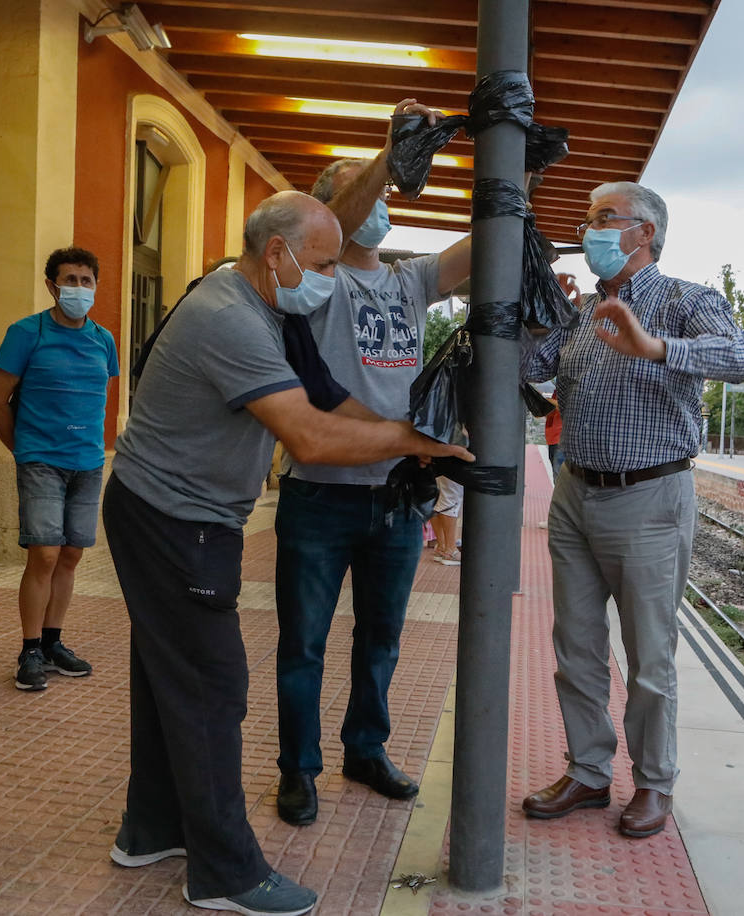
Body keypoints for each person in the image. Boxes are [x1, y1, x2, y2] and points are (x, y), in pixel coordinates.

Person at [102, 189, 471, 916]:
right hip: (176, 521)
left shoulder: (266, 306)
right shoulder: (229, 318)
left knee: (166, 680)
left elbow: (334, 402)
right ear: (277, 252)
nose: (333, 279)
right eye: (325, 264)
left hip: (167, 512)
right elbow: (309, 436)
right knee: (214, 689)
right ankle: (225, 873)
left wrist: (418, 441)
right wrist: (410, 442)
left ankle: (150, 830)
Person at [520, 182, 744, 839]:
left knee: (648, 656)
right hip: (575, 494)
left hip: (650, 496)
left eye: (602, 218)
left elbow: (740, 358)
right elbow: (527, 368)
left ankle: (654, 784)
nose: (587, 228)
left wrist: (656, 348)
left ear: (642, 232)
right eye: (589, 217)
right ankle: (589, 772)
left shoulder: (686, 300)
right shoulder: (584, 314)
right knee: (576, 646)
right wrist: (539, 313)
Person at [272, 99, 475, 828]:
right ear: (327, 214)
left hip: (397, 494)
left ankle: (366, 748)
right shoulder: (315, 285)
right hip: (319, 495)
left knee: (382, 636)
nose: (378, 205)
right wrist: (383, 158)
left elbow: (482, 248)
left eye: (382, 191)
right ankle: (298, 770)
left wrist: (503, 163)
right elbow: (350, 206)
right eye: (362, 193)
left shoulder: (409, 280)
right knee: (303, 643)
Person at [0, 247, 118, 692]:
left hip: (88, 461)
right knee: (43, 553)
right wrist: (24, 450)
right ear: (51, 286)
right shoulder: (26, 333)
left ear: (96, 286)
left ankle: (54, 642)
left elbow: (100, 397)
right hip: (41, 461)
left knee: (71, 554)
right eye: (69, 280)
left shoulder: (104, 340)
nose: (78, 288)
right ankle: (29, 650)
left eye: (86, 280)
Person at [429, 477, 463, 566]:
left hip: (438, 466)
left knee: (438, 500)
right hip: (452, 466)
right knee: (451, 500)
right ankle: (450, 550)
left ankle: (442, 547)